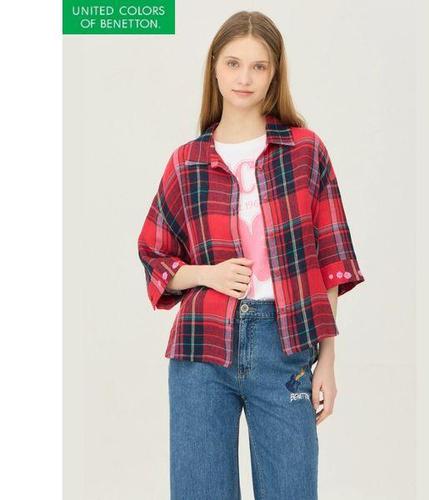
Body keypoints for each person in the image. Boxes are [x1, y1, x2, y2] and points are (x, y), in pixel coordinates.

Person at [137, 10, 365, 500]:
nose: (245, 78)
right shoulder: (186, 162)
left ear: (274, 73)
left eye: (259, 66)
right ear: (215, 68)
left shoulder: (305, 151)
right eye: (234, 63)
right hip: (201, 348)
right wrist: (207, 274)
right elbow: (155, 256)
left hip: (285, 344)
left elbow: (331, 261)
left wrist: (327, 360)